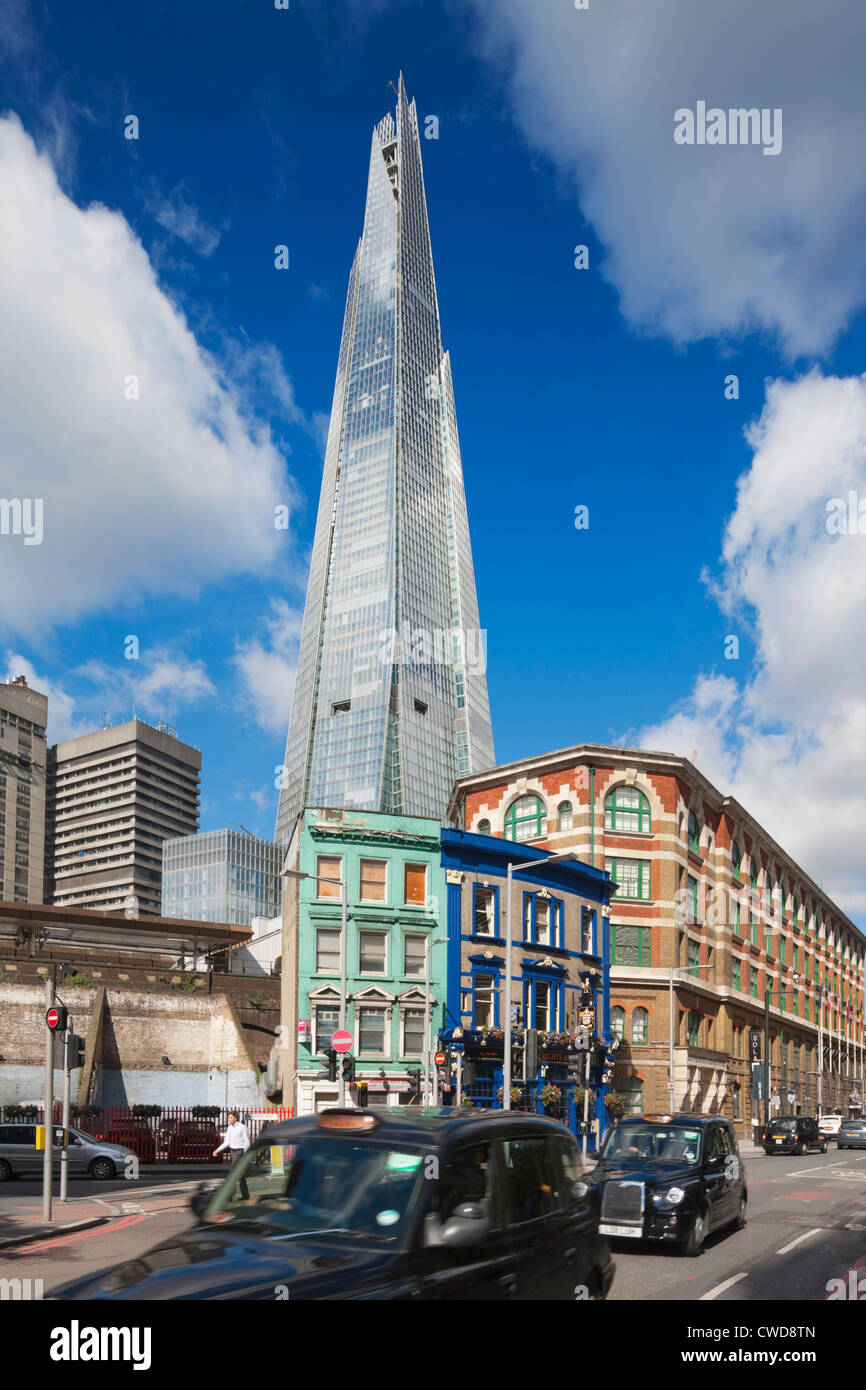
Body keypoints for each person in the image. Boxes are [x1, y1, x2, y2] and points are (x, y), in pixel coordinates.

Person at [213, 1110, 251, 1199]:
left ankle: (230, 1195)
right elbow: (227, 1142)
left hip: (240, 1152)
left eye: (230, 1117)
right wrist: (217, 1150)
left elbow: (247, 1142)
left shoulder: (242, 1127)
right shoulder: (229, 1128)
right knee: (240, 1174)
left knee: (231, 1173)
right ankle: (245, 1195)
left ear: (235, 1118)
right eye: (228, 1117)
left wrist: (243, 1153)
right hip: (233, 1152)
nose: (229, 1119)